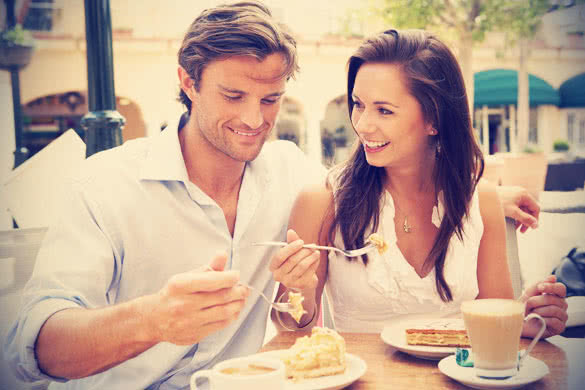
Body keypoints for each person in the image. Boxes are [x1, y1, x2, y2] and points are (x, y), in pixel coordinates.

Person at [3, 3, 544, 389]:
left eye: (271, 98)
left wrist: (488, 192)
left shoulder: (289, 172)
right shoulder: (105, 185)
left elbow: (378, 177)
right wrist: (153, 320)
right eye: (233, 95)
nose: (253, 119)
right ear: (187, 82)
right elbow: (29, 349)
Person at [272, 29, 567, 339]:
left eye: (384, 110)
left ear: (434, 119)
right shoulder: (322, 202)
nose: (362, 124)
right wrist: (298, 288)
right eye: (359, 104)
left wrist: (527, 321)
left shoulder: (482, 202)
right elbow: (291, 330)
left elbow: (497, 325)